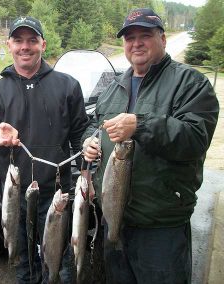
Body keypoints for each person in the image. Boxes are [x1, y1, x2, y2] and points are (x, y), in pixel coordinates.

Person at [82, 8, 219, 284]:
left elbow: (195, 138)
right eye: (129, 37)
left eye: (145, 35)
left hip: (161, 228)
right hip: (113, 217)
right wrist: (89, 141)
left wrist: (141, 125)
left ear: (163, 39)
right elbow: (94, 123)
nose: (136, 43)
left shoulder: (190, 83)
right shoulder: (114, 85)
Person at [0, 16, 90, 283]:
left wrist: (88, 174)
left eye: (32, 40)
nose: (25, 47)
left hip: (56, 194)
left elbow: (80, 136)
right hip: (15, 194)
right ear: (9, 45)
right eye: (18, 40)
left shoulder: (68, 86)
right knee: (23, 263)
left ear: (43, 43)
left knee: (61, 262)